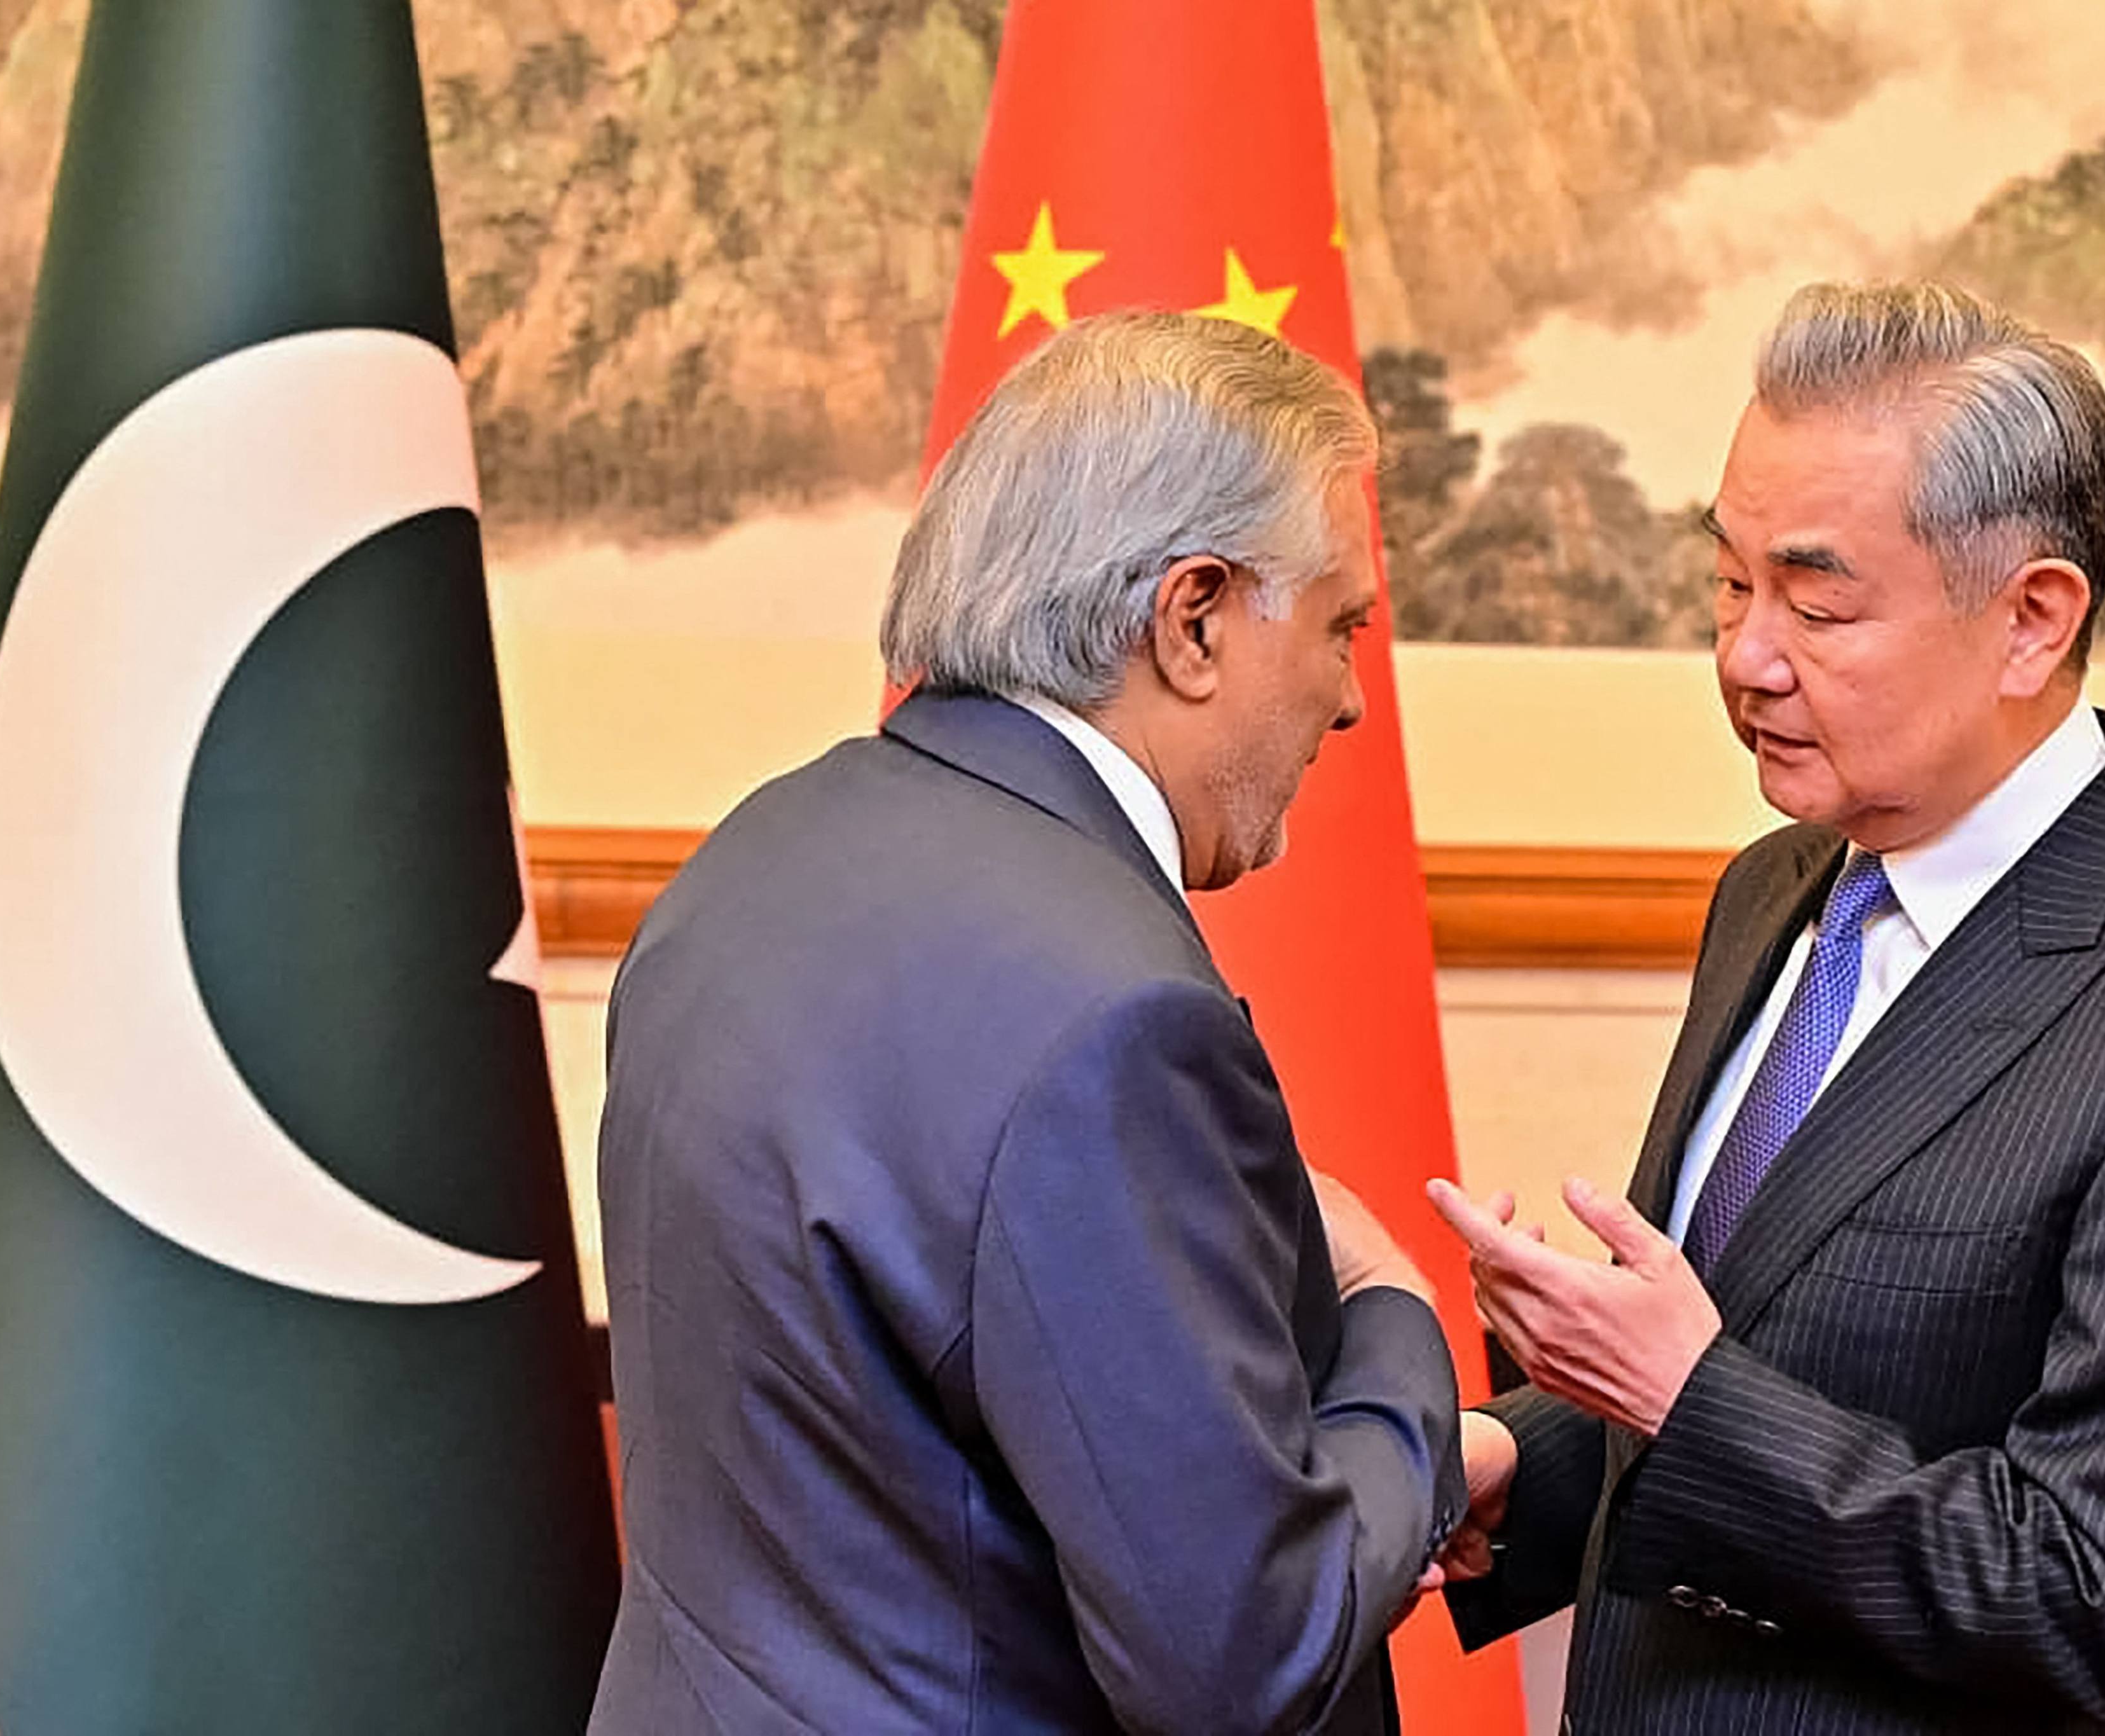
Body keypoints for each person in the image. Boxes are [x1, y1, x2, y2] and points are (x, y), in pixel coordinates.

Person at [1426, 281, 2105, 1734]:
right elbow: (1754, 1359)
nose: (1744, 655)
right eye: (1727, 585)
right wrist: (1513, 1454)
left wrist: (1681, 1397)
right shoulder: (1775, 886)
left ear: (2030, 623)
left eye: (1815, 602)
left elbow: (2099, 1605)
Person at [590, 310, 1466, 1735]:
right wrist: (1398, 1348)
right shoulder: (1115, 1024)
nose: (1352, 699)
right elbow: (1238, 1660)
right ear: (1190, 620)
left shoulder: (754, 856)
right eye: (1339, 626)